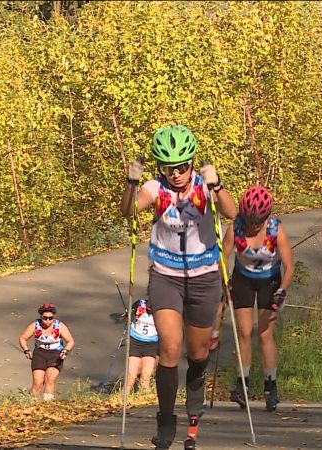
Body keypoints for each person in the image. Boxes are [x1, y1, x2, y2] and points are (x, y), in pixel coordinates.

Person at [120, 125, 237, 449]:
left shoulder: (203, 186)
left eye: (183, 166)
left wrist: (218, 185)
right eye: (170, 167)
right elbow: (128, 211)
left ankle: (196, 389)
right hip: (166, 276)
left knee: (197, 354)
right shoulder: (156, 188)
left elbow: (232, 213)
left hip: (203, 277)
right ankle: (167, 419)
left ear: (191, 163)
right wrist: (131, 183)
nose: (177, 173)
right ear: (162, 167)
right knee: (169, 350)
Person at [221, 185, 294, 412]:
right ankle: (241, 386)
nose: (253, 226)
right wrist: (223, 281)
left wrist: (282, 290)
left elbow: (290, 267)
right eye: (249, 221)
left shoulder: (275, 230)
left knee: (264, 334)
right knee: (243, 333)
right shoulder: (236, 229)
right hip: (242, 279)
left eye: (257, 222)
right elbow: (221, 259)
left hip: (269, 281)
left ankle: (270, 387)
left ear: (266, 216)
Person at [18, 303, 75, 401]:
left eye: (50, 318)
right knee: (38, 382)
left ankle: (48, 405)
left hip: (56, 354)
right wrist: (26, 350)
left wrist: (65, 351)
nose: (48, 321)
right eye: (45, 318)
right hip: (40, 354)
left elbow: (70, 341)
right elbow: (23, 338)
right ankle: (29, 404)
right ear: (41, 316)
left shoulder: (59, 326)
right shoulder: (35, 325)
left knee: (49, 380)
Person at [125, 297, 159, 393]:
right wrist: (129, 315)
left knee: (146, 376)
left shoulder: (160, 310)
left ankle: (143, 400)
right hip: (136, 342)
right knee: (131, 376)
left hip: (151, 344)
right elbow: (129, 316)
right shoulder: (139, 304)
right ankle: (123, 399)